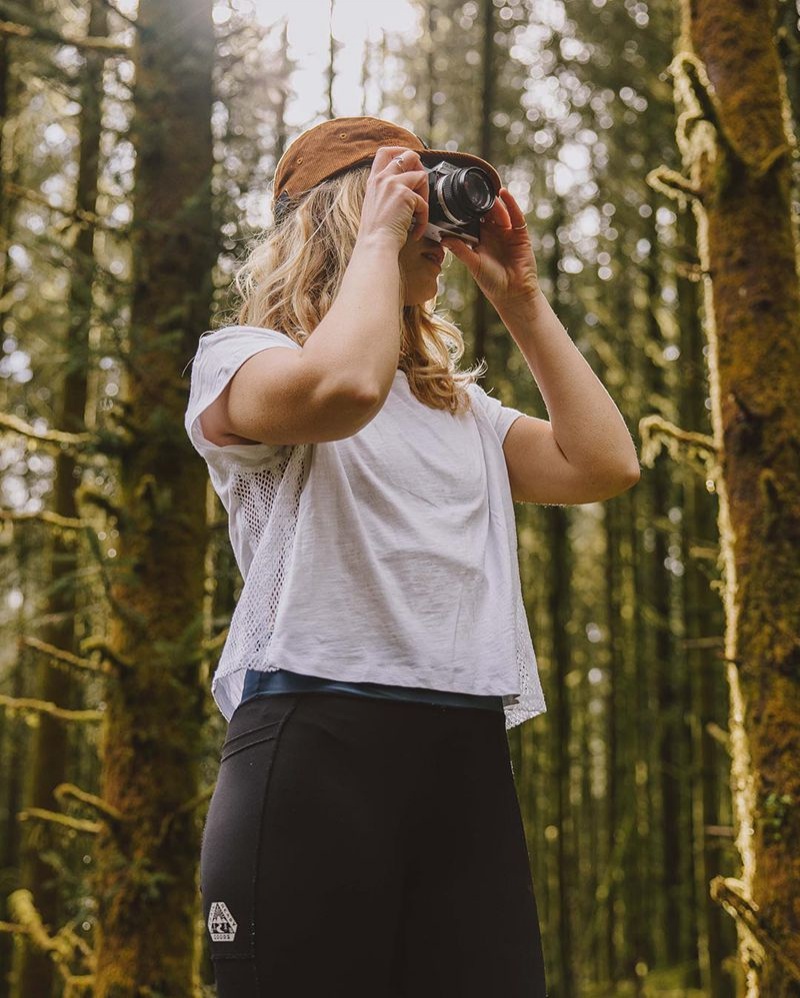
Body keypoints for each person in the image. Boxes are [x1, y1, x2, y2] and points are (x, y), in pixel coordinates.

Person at [184, 115, 639, 997]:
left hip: (462, 753)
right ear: (342, 217)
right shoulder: (243, 362)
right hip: (312, 742)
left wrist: (522, 302)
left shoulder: (461, 412)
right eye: (411, 197)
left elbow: (604, 463)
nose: (437, 224)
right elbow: (343, 388)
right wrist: (381, 237)